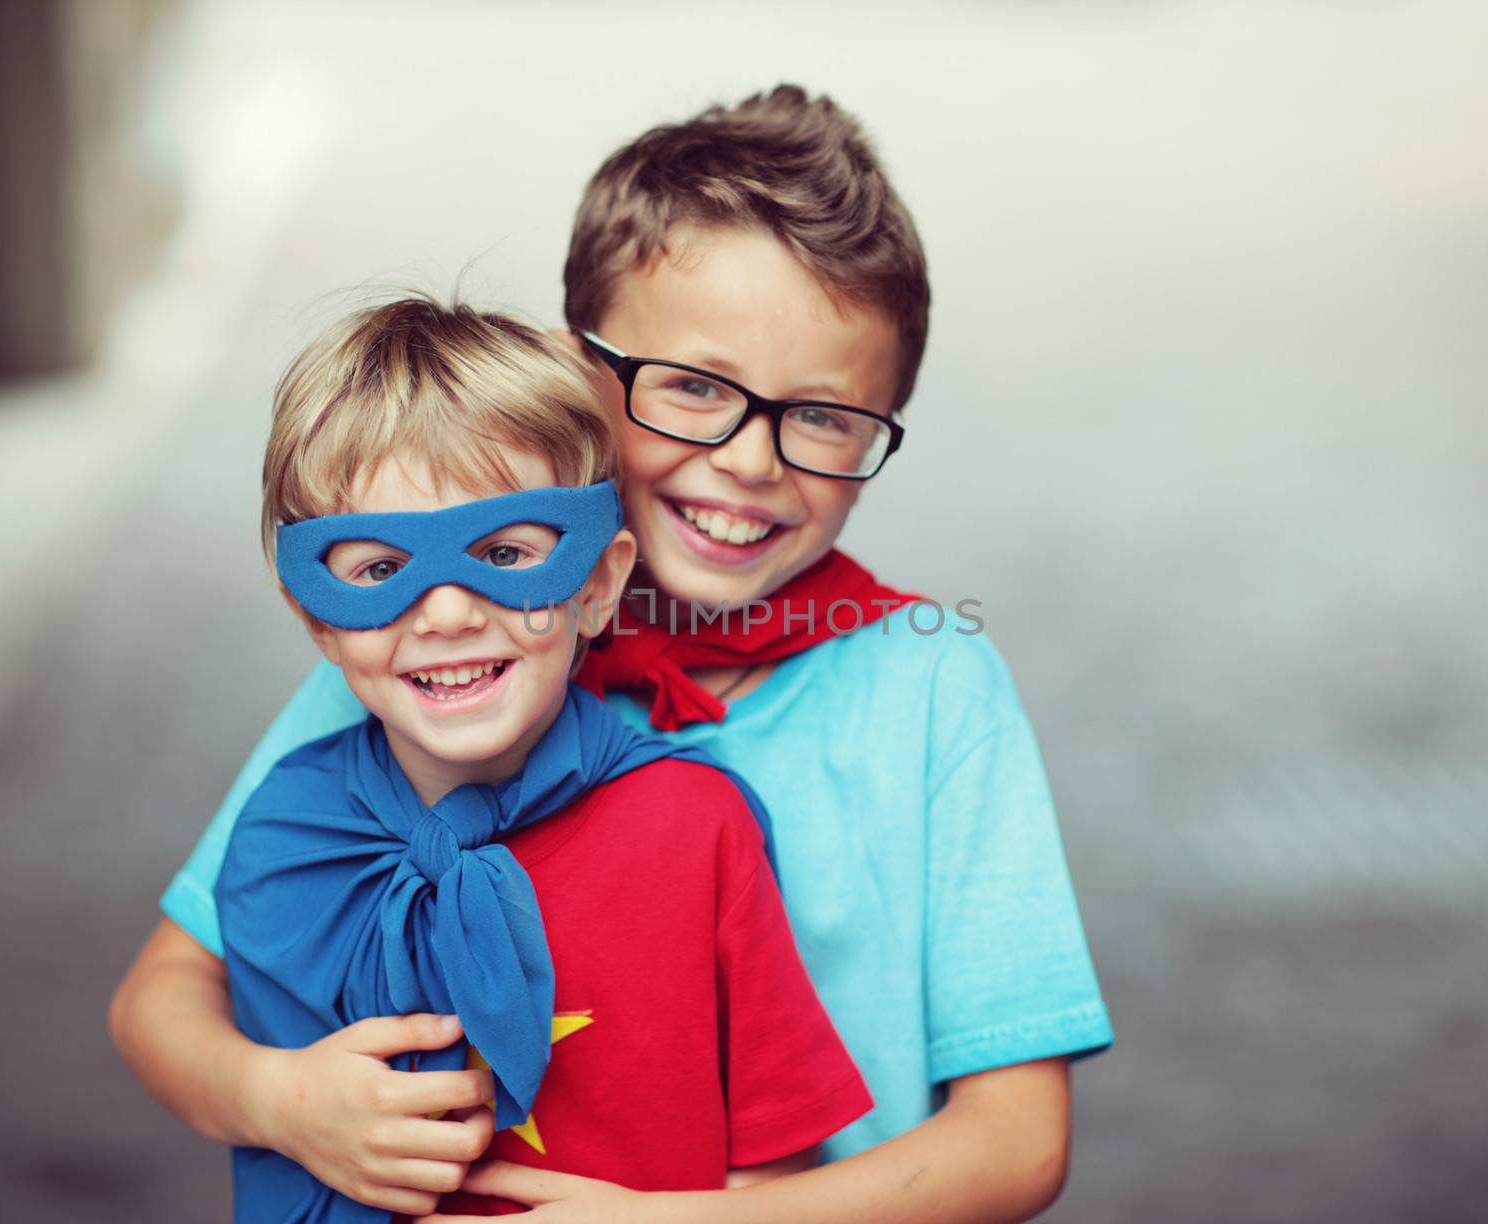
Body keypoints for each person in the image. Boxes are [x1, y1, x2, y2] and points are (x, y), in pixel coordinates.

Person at [111, 85, 1113, 1223]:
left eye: (825, 416)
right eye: (692, 387)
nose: (748, 461)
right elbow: (163, 994)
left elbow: (1017, 1143)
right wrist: (276, 1097)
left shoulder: (933, 689)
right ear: (576, 367)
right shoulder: (451, 648)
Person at [206, 298, 871, 1220]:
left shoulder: (696, 828)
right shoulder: (287, 836)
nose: (445, 614)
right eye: (375, 571)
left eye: (508, 553)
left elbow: (776, 1175)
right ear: (316, 615)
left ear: (598, 585)